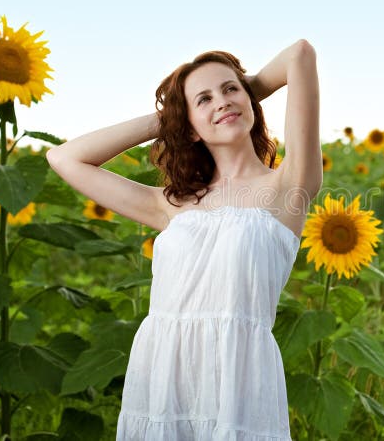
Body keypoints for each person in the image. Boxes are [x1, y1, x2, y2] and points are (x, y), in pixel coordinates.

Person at [46, 39, 321, 440]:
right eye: (204, 99)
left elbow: (299, 55)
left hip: (238, 381)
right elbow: (65, 158)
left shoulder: (289, 185)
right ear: (188, 127)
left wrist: (247, 91)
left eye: (230, 89)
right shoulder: (170, 205)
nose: (222, 102)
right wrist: (174, 118)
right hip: (161, 378)